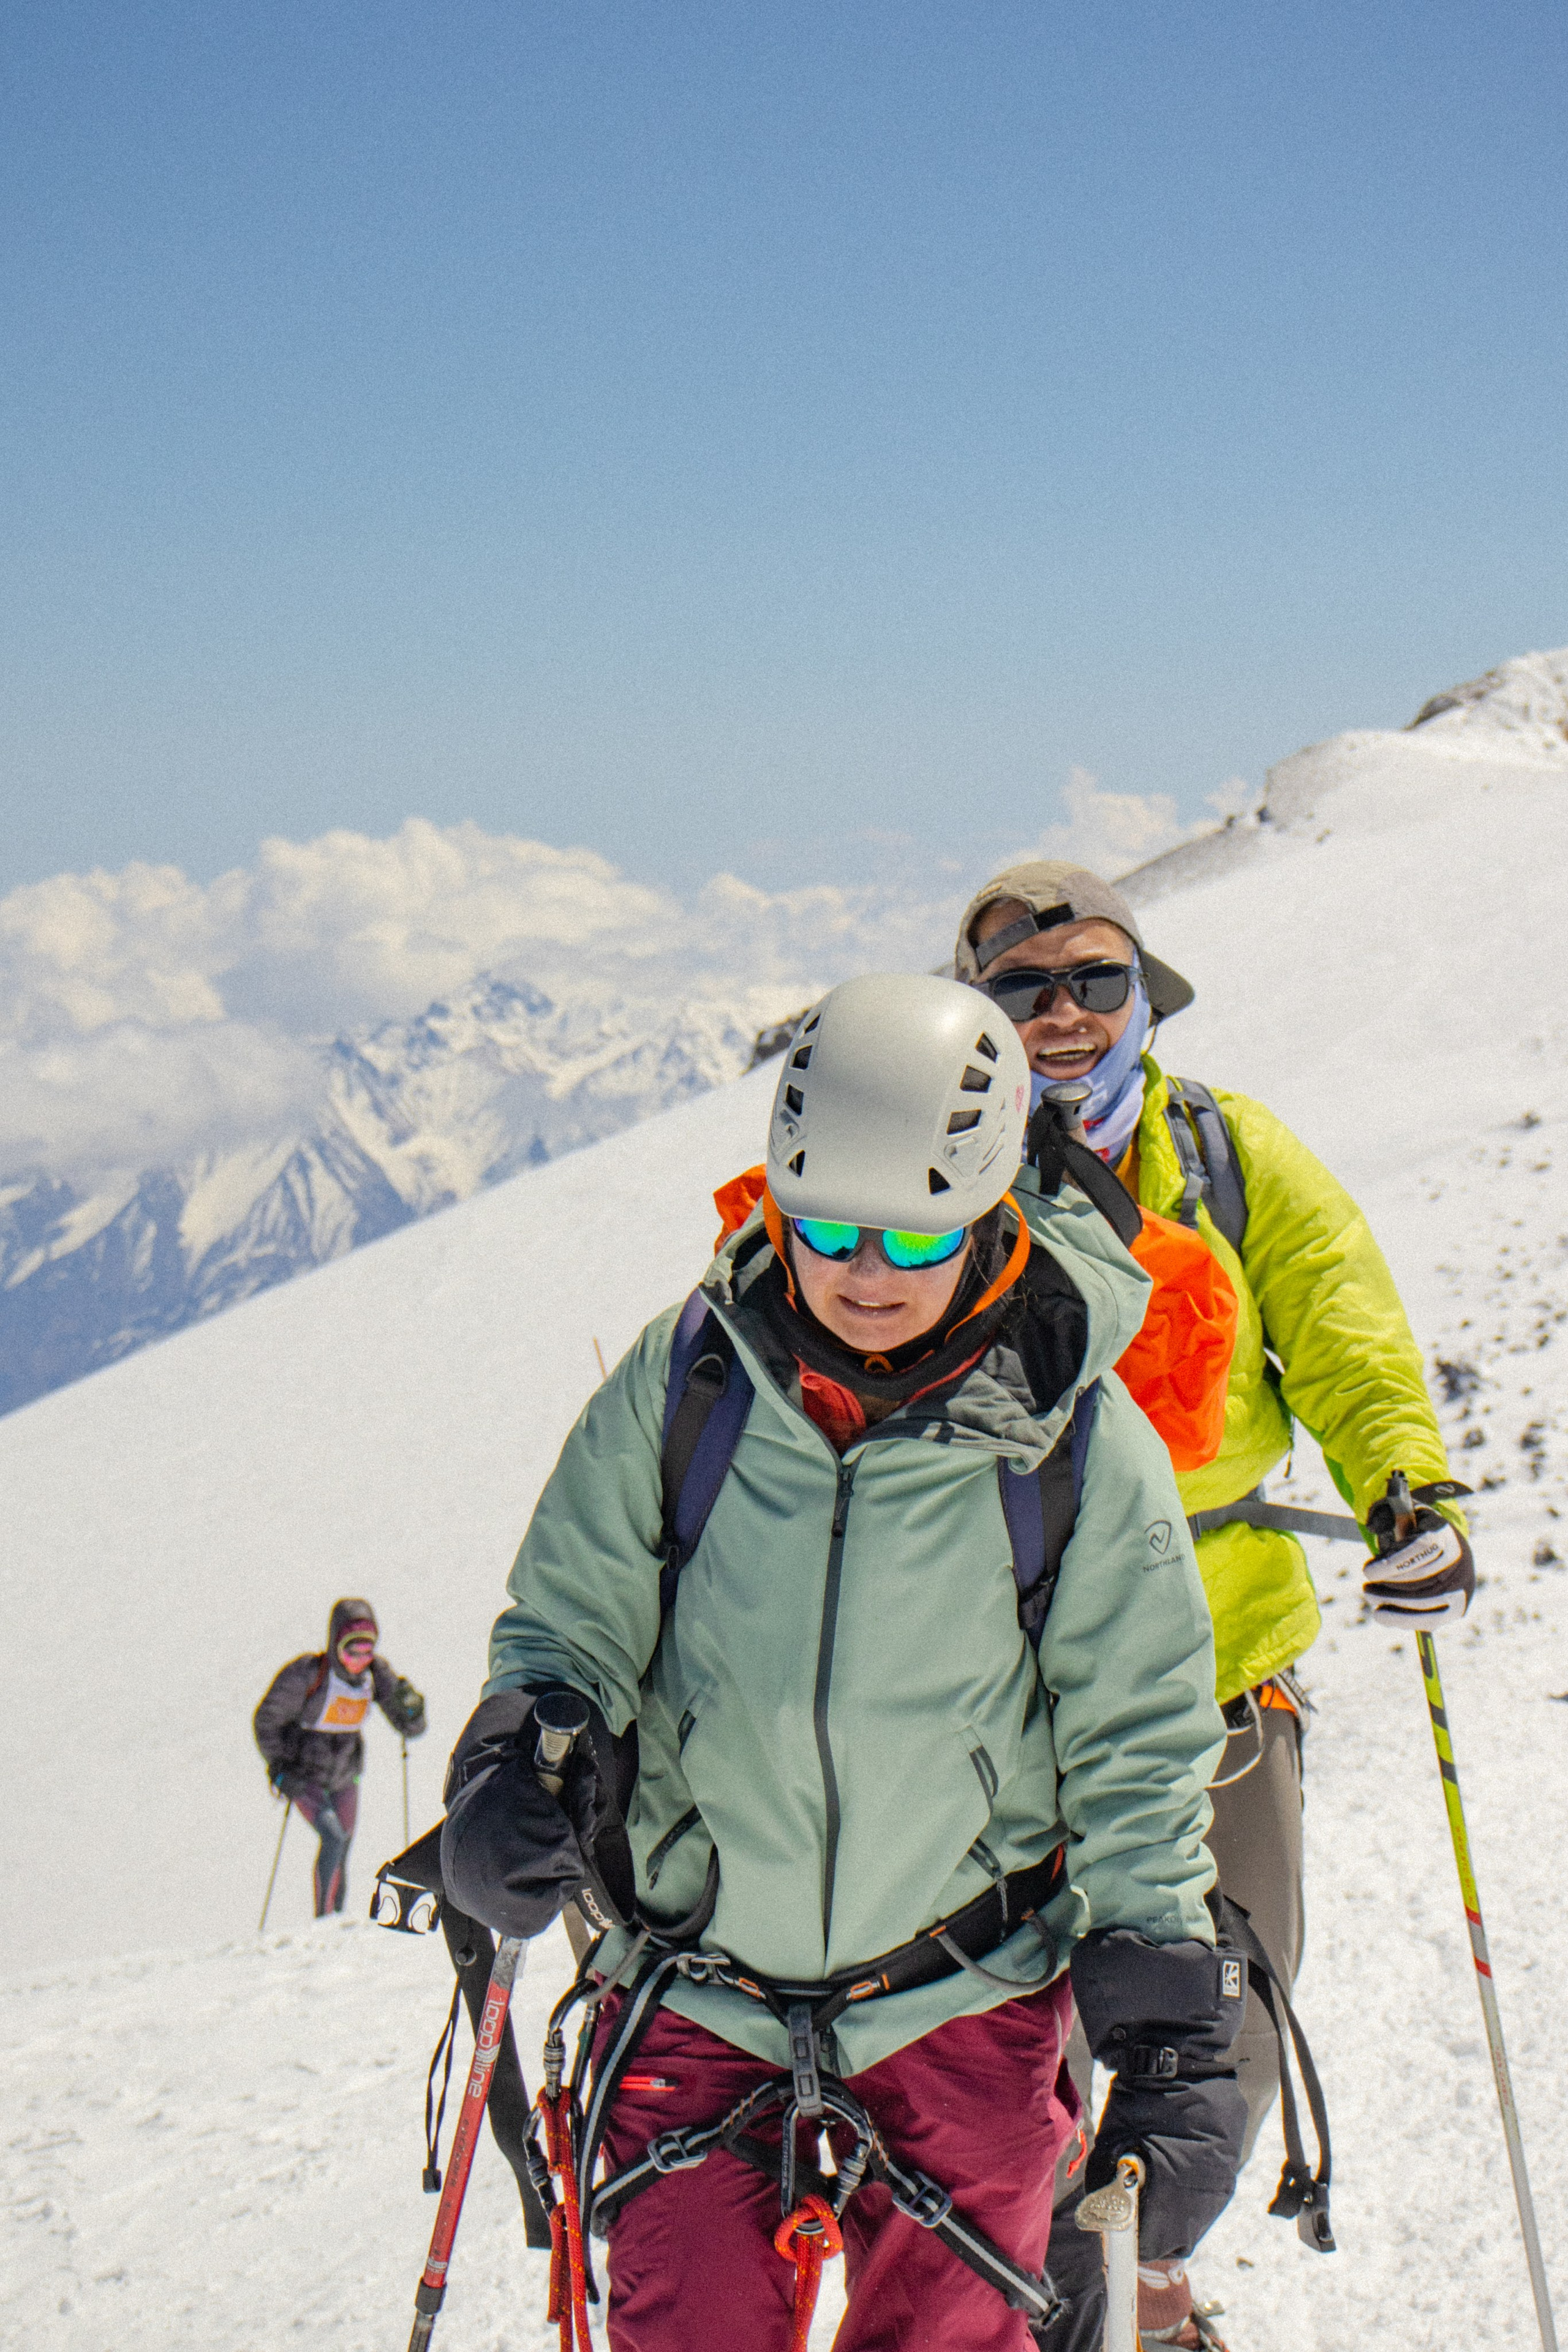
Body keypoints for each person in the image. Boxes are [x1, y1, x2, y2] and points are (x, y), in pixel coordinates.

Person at [440, 973, 1247, 2352]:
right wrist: (525, 1755)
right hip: (695, 1977)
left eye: (914, 1239)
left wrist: (1167, 2019)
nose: (863, 1274)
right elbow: (569, 1618)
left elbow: (1136, 1732)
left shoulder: (1072, 1438)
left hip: (963, 1985)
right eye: (820, 1226)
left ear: (988, 1206)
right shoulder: (690, 1376)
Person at [954, 861, 1474, 2347]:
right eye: (1021, 987)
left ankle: (1135, 2270)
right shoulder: (934, 1165)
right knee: (1002, 2020)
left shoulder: (1225, 1153)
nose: (1061, 1014)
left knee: (1229, 2003)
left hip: (1212, 1664)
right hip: (986, 1678)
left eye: (1092, 979)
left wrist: (1403, 1487)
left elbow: (1334, 1310)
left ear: (1142, 994)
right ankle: (1071, 2288)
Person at [254, 1599, 426, 1917]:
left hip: (347, 1775)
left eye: (367, 1652)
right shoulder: (308, 1675)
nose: (359, 1662)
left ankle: (335, 1921)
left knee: (343, 1845)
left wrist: (412, 1709)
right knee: (333, 1838)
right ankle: (325, 1919)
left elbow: (409, 1726)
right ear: (335, 1647)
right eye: (351, 1652)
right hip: (306, 1777)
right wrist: (278, 1768)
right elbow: (267, 1720)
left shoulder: (375, 1675)